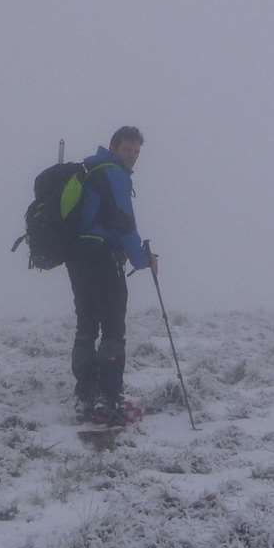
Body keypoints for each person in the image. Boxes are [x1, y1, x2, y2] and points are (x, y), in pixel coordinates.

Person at [66, 126, 156, 422]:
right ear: (114, 148)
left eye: (136, 152)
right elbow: (124, 224)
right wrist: (143, 260)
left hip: (78, 257)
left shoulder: (91, 169)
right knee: (114, 328)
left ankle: (85, 394)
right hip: (103, 257)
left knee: (86, 325)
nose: (132, 156)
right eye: (128, 150)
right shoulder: (114, 174)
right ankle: (108, 395)